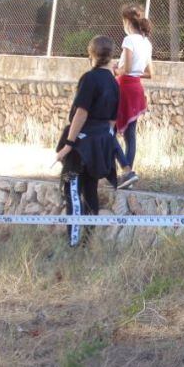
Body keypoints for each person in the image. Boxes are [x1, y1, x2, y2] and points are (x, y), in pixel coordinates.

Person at [55, 35, 123, 247]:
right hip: (99, 145)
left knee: (73, 191)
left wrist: (69, 144)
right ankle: (86, 241)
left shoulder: (90, 78)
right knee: (90, 191)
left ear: (91, 54)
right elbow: (112, 121)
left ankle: (73, 244)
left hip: (81, 148)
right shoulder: (113, 82)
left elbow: (81, 113)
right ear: (111, 56)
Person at [114, 4, 154, 189]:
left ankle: (126, 170)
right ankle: (127, 177)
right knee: (131, 135)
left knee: (108, 132)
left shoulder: (129, 40)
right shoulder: (147, 43)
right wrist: (131, 71)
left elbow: (127, 69)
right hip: (137, 87)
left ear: (128, 22)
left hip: (123, 87)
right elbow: (150, 73)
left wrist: (116, 69)